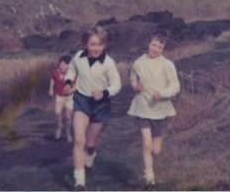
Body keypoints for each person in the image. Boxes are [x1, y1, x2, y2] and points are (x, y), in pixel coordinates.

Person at [65, 26, 122, 191]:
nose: (96, 48)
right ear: (85, 45)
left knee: (90, 143)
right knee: (78, 140)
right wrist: (69, 83)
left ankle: (90, 154)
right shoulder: (78, 57)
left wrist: (104, 93)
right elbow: (71, 70)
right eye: (92, 44)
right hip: (82, 101)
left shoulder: (108, 63)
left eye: (100, 44)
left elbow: (117, 84)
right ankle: (79, 182)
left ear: (104, 45)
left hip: (101, 105)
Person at [127, 33, 181, 189]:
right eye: (153, 45)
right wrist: (135, 86)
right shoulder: (138, 63)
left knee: (156, 149)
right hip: (142, 106)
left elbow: (175, 86)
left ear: (163, 49)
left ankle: (155, 152)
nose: (156, 49)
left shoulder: (168, 65)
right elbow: (132, 79)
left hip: (161, 108)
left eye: (160, 47)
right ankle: (149, 178)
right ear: (148, 44)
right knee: (146, 142)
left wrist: (162, 94)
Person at [48, 55, 74, 142]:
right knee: (57, 112)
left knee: (68, 117)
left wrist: (71, 90)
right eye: (61, 64)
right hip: (59, 96)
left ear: (69, 65)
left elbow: (76, 84)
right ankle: (59, 127)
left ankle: (68, 133)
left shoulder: (72, 73)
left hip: (70, 97)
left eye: (64, 64)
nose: (62, 66)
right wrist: (51, 89)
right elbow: (52, 79)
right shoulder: (55, 72)